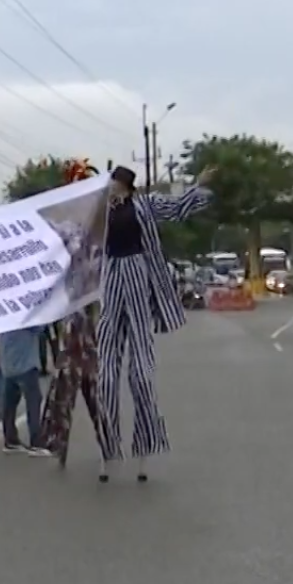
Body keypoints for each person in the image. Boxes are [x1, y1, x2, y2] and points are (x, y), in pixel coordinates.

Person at [95, 165, 214, 483]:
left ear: (127, 187)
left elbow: (176, 209)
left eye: (117, 184)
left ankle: (144, 451)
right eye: (111, 183)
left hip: (137, 277)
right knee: (105, 381)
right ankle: (108, 454)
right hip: (110, 282)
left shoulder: (145, 205)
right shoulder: (97, 211)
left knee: (142, 378)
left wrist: (198, 186)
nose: (112, 188)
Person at [39, 160, 106, 466]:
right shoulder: (66, 230)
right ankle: (57, 444)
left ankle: (109, 440)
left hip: (94, 318)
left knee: (97, 384)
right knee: (66, 381)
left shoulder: (103, 230)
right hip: (72, 318)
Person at [0, 325, 51, 456]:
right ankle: (36, 442)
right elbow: (41, 327)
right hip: (26, 366)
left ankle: (10, 440)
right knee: (33, 402)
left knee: (9, 405)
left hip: (8, 367)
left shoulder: (3, 322)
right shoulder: (27, 320)